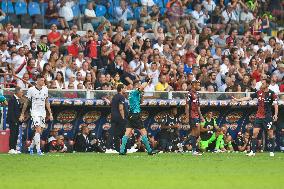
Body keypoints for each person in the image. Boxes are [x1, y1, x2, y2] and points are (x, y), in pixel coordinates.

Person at [232, 78, 278, 157]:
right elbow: (249, 98)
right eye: (261, 83)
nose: (261, 85)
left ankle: (272, 151)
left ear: (267, 84)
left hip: (267, 117)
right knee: (254, 133)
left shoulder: (272, 93)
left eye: (263, 83)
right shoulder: (258, 92)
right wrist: (238, 100)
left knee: (270, 134)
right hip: (259, 116)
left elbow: (276, 104)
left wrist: (276, 114)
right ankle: (252, 152)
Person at [119, 80, 159, 155]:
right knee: (143, 132)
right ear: (136, 85)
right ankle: (150, 151)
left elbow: (140, 101)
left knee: (127, 133)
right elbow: (143, 86)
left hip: (130, 114)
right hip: (135, 114)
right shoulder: (134, 92)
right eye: (138, 85)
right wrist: (148, 80)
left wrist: (141, 95)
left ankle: (121, 150)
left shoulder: (131, 93)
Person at [19, 75, 53, 155]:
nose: (43, 82)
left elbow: (47, 102)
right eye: (41, 80)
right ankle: (38, 150)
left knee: (39, 132)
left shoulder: (45, 89)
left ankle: (30, 148)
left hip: (42, 112)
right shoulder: (31, 90)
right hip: (34, 112)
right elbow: (26, 102)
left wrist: (50, 113)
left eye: (43, 80)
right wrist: (22, 114)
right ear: (37, 81)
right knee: (37, 130)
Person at [185, 80, 204, 155]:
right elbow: (187, 105)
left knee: (196, 133)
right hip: (192, 115)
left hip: (196, 115)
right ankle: (194, 150)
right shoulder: (189, 94)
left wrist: (201, 116)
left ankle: (182, 143)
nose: (199, 86)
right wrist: (187, 117)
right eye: (198, 85)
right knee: (195, 132)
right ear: (194, 85)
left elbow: (198, 106)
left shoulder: (197, 94)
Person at [111, 84, 128, 152]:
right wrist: (123, 118)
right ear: (121, 89)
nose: (125, 89)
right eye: (124, 88)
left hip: (114, 117)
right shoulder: (121, 97)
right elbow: (121, 108)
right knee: (123, 134)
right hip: (120, 118)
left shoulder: (114, 96)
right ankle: (124, 149)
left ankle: (118, 149)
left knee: (116, 134)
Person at [7, 87, 23, 154]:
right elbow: (11, 112)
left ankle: (14, 148)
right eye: (21, 92)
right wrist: (14, 121)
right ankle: (11, 149)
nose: (22, 93)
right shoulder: (12, 99)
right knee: (13, 134)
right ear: (17, 92)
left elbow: (17, 111)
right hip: (13, 121)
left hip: (17, 121)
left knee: (16, 134)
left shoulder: (17, 100)